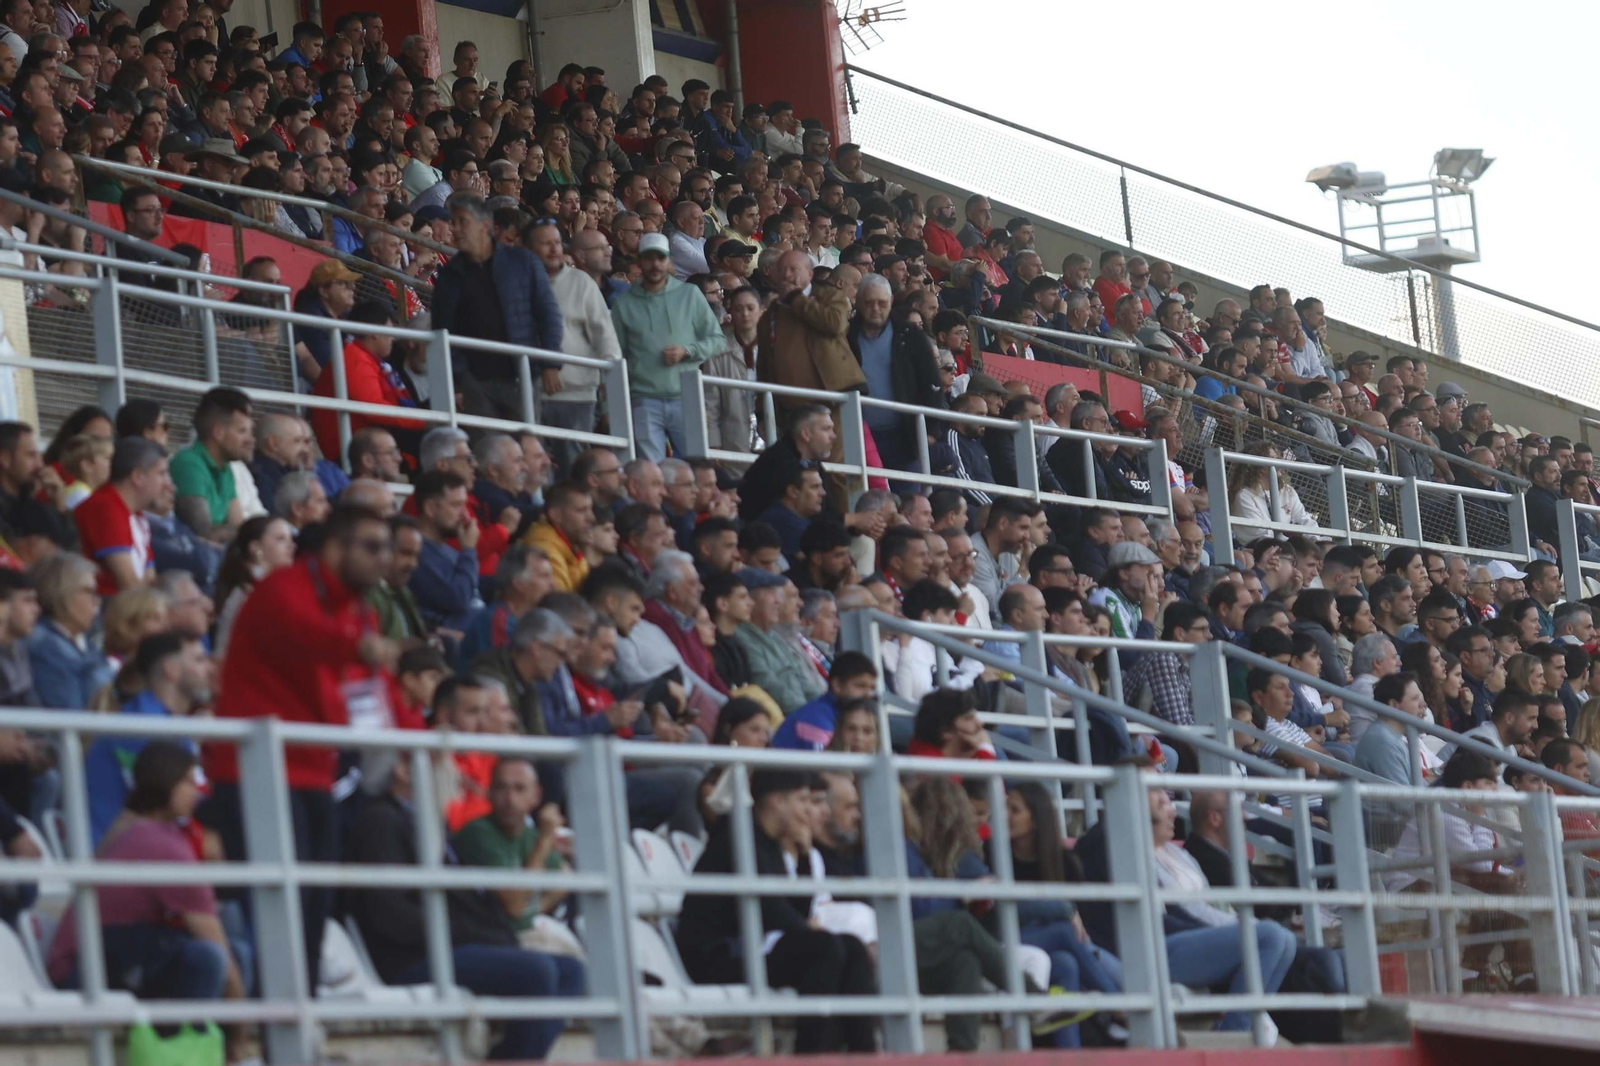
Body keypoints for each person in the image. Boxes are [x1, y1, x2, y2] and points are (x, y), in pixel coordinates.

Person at [201, 505, 411, 992]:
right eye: (373, 547)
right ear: (337, 548)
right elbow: (302, 634)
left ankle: (295, 1027)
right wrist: (358, 649)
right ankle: (267, 1031)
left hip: (317, 772)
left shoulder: (359, 610)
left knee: (312, 910)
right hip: (255, 771)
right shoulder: (283, 588)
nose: (385, 559)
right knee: (276, 910)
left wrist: (417, 740)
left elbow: (375, 688)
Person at [346, 750, 583, 1060]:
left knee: (573, 972)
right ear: (404, 771)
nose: (454, 774)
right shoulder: (380, 821)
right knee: (537, 971)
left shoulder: (424, 820)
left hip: (451, 945)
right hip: (413, 957)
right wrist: (469, 934)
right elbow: (390, 915)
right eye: (440, 764)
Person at [677, 767, 877, 1054]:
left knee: (852, 948)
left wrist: (806, 855)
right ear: (776, 801)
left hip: (752, 949)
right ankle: (809, 1055)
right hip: (717, 956)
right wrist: (807, 928)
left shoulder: (770, 842)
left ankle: (865, 1054)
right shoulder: (738, 837)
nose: (808, 812)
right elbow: (771, 909)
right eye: (803, 801)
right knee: (824, 948)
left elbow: (794, 907)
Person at [49, 742, 246, 1002]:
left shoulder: (138, 826)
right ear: (165, 781)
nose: (197, 792)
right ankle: (193, 1038)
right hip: (82, 968)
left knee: (235, 951)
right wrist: (240, 1009)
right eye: (188, 782)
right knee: (208, 957)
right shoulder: (157, 841)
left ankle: (209, 1032)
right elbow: (208, 930)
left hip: (111, 952)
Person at [432, 193, 563, 422]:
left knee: (528, 446)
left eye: (463, 221)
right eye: (453, 222)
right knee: (488, 450)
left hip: (522, 374)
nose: (456, 229)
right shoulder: (449, 275)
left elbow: (548, 314)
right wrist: (461, 376)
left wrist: (550, 363)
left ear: (485, 226)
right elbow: (442, 329)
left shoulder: (523, 262)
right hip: (476, 383)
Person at [84, 631, 213, 843]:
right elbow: (177, 803)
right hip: (117, 856)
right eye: (199, 660)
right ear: (170, 670)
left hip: (147, 844)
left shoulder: (166, 723)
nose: (209, 668)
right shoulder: (140, 726)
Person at [610, 232, 723, 460]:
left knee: (696, 467)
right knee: (651, 471)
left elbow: (717, 340)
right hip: (643, 398)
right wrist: (608, 406)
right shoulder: (624, 304)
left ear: (669, 260)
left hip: (687, 395)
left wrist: (688, 351)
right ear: (639, 261)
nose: (655, 265)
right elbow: (615, 357)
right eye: (649, 258)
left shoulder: (690, 294)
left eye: (660, 258)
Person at [526, 219, 621, 468]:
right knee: (533, 464)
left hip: (576, 392)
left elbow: (606, 337)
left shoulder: (582, 282)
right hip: (526, 390)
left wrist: (610, 389)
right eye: (546, 243)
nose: (555, 249)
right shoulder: (517, 282)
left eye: (557, 242)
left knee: (575, 465)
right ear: (528, 248)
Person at [74, 436, 170, 595]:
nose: (167, 483)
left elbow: (149, 578)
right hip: (104, 609)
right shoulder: (105, 507)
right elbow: (128, 584)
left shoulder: (136, 514)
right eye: (162, 474)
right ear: (138, 477)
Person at [169, 387, 253, 543]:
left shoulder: (225, 468)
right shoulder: (188, 464)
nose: (250, 440)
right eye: (242, 432)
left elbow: (239, 525)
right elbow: (204, 534)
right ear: (219, 433)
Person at [28, 551, 112, 709]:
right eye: (88, 591)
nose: (96, 600)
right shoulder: (44, 646)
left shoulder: (84, 643)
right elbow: (68, 712)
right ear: (59, 593)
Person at [211, 516, 295, 658]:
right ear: (255, 548)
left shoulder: (268, 589)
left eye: (290, 539)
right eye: (281, 539)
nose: (291, 545)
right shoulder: (250, 594)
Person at [409, 469, 480, 631]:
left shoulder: (451, 552)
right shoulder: (417, 553)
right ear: (430, 508)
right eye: (456, 505)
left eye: (465, 505)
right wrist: (469, 550)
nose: (465, 514)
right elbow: (458, 598)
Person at [770, 651, 878, 750]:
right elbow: (824, 768)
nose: (868, 695)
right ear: (837, 685)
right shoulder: (816, 718)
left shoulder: (840, 715)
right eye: (860, 686)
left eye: (871, 688)